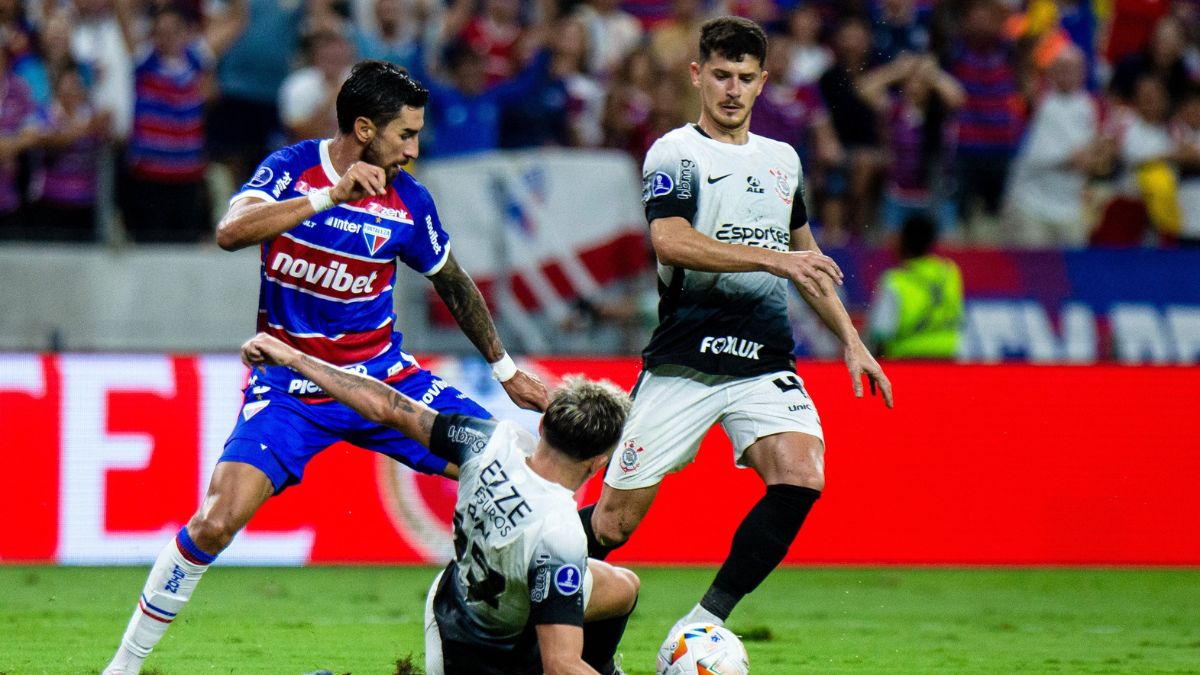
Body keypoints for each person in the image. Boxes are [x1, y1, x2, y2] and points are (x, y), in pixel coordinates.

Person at [102, 60, 549, 675]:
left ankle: (550, 657)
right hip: (289, 385)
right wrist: (326, 197)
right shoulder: (289, 170)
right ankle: (122, 668)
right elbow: (231, 231)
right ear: (364, 128)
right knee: (216, 519)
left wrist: (504, 370)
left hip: (385, 379)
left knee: (523, 478)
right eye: (405, 136)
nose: (414, 151)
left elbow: (453, 282)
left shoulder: (409, 202)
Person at [575, 16, 894, 667]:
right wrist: (770, 260)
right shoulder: (675, 153)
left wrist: (850, 338)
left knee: (802, 474)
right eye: (721, 74)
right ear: (697, 75)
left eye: (746, 78)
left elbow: (805, 258)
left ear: (763, 82)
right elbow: (670, 240)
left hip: (763, 362)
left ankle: (701, 622)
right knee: (612, 524)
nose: (732, 89)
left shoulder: (783, 162)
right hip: (685, 360)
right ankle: (502, 586)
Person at [239, 332, 639, 675]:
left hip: (451, 599)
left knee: (622, 587)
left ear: (542, 425)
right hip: (475, 658)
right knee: (565, 645)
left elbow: (388, 408)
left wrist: (295, 358)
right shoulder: (560, 533)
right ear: (598, 462)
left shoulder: (491, 441)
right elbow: (561, 667)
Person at [867, 214, 963, 359]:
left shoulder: (895, 281)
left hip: (908, 363)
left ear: (903, 241)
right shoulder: (949, 272)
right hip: (948, 360)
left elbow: (881, 333)